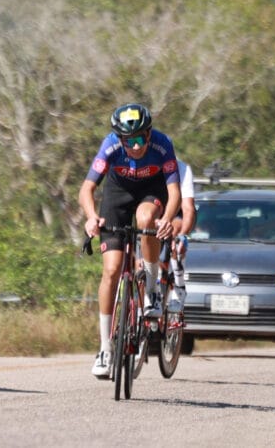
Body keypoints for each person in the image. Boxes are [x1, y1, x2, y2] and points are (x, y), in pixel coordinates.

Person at [78, 103, 180, 379]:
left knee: (146, 219)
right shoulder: (110, 146)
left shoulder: (162, 145)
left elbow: (174, 192)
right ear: (119, 138)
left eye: (139, 139)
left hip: (151, 191)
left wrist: (167, 219)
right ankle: (105, 348)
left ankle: (151, 288)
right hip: (118, 193)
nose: (135, 146)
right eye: (128, 141)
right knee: (111, 269)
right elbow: (87, 188)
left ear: (149, 134)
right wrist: (91, 217)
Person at [165, 157, 196, 312]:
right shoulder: (146, 163)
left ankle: (178, 281)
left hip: (176, 212)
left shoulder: (182, 169)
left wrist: (183, 235)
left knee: (175, 228)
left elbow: (188, 208)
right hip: (153, 210)